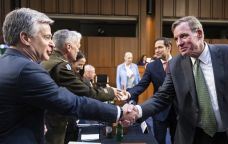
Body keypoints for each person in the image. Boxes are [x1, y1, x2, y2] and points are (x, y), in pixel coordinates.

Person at [0, 8, 136, 144]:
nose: (52, 43)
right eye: (47, 37)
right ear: (25, 38)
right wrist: (118, 112)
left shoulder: (5, 62)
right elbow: (72, 103)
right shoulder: (27, 69)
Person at [123, 16, 228, 144]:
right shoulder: (175, 64)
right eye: (176, 38)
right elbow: (162, 96)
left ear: (199, 33)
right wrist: (137, 110)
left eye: (183, 36)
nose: (179, 43)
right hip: (194, 136)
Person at [41, 29, 123, 144]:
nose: (78, 51)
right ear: (69, 47)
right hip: (52, 124)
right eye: (77, 47)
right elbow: (86, 92)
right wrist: (111, 92)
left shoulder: (49, 60)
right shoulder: (61, 66)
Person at [127, 37, 176, 144]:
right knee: (159, 141)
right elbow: (142, 85)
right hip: (159, 110)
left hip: (177, 111)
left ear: (168, 47)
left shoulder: (180, 63)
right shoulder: (151, 66)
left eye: (160, 47)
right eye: (155, 48)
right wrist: (128, 93)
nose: (156, 50)